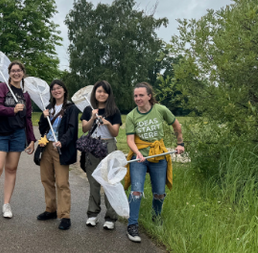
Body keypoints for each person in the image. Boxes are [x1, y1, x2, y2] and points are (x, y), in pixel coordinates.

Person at [124, 82, 185, 243]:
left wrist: (180, 144)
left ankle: (156, 218)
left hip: (158, 155)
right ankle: (132, 225)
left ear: (149, 96)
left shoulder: (161, 110)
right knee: (136, 191)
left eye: (141, 95)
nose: (138, 98)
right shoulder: (131, 116)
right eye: (135, 96)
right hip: (139, 158)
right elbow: (130, 140)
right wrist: (137, 153)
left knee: (159, 192)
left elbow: (176, 125)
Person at [0, 61, 36, 223]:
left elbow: (27, 118)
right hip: (0, 133)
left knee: (11, 169)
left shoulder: (25, 94)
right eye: (13, 71)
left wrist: (31, 139)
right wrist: (12, 110)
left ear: (23, 73)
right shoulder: (2, 87)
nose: (16, 73)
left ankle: (6, 204)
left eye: (19, 70)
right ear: (9, 73)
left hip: (18, 134)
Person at [37, 80, 78, 230]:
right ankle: (50, 210)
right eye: (53, 89)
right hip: (46, 146)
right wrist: (43, 116)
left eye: (59, 88)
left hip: (60, 148)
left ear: (64, 90)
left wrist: (63, 142)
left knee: (62, 183)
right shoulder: (49, 107)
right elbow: (43, 129)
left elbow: (72, 129)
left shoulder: (71, 108)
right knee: (46, 180)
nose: (56, 91)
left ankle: (65, 215)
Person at [80, 80, 122, 230]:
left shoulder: (114, 111)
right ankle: (92, 214)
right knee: (93, 181)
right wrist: (92, 117)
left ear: (109, 94)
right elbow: (84, 129)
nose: (102, 94)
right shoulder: (88, 109)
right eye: (99, 91)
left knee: (109, 181)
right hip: (92, 146)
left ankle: (111, 217)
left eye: (105, 91)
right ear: (95, 93)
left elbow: (115, 132)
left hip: (108, 145)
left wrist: (108, 123)